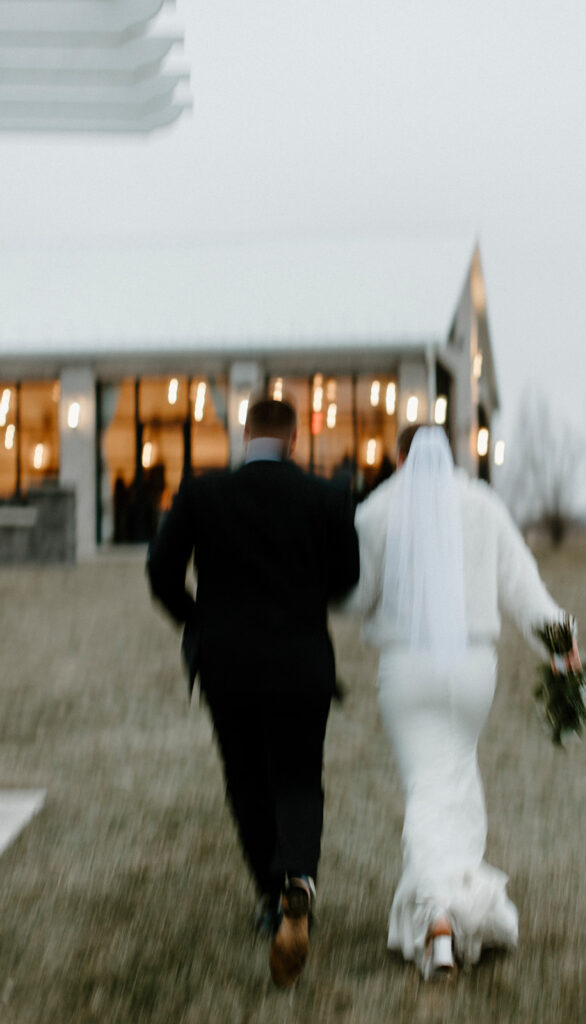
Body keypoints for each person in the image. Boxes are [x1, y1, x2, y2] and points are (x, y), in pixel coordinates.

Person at [345, 424, 580, 980]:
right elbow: (525, 589)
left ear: (400, 458)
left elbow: (356, 596)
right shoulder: (482, 506)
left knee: (427, 789)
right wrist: (563, 646)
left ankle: (438, 918)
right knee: (455, 782)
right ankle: (459, 901)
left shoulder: (377, 512)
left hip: (407, 670)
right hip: (473, 670)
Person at [146, 391, 360, 988]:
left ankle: (271, 897)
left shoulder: (202, 493)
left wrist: (198, 619)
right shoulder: (327, 496)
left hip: (227, 663)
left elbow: (160, 572)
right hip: (300, 661)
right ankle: (297, 878)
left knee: (245, 779)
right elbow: (347, 577)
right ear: (294, 440)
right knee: (299, 776)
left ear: (245, 435)